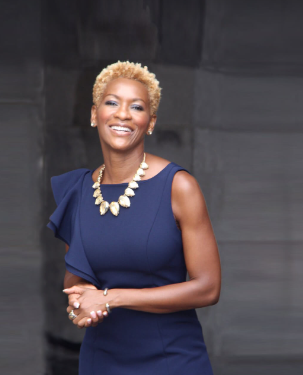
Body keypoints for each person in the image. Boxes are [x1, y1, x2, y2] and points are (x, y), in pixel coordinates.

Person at [47, 61, 221, 375]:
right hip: (101, 360)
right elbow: (75, 277)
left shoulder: (178, 186)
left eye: (137, 107)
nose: (123, 114)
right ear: (93, 114)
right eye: (112, 102)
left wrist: (112, 298)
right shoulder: (79, 190)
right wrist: (79, 305)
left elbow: (208, 288)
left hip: (171, 360)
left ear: (150, 122)